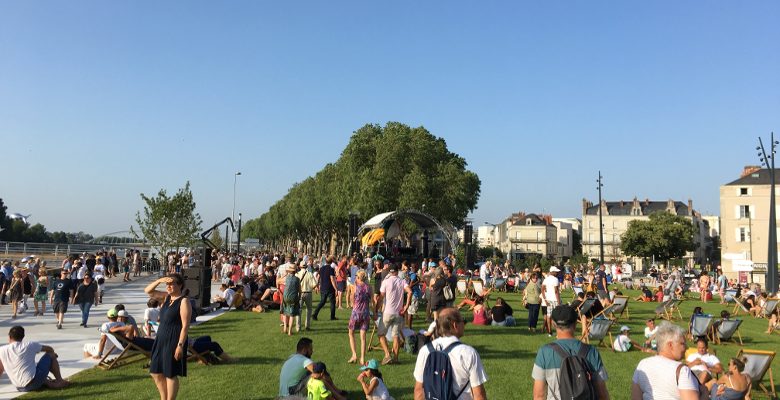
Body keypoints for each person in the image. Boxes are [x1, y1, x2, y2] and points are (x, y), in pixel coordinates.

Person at [532, 304, 610, 400]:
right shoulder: (591, 351)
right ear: (575, 324)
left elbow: (539, 395)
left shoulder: (544, 352)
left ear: (553, 324)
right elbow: (602, 393)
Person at [413, 308, 488, 400]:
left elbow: (419, 390)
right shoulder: (468, 353)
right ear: (455, 325)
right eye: (463, 322)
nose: (464, 325)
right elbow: (479, 394)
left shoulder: (425, 350)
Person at [144, 274, 192, 400]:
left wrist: (180, 346)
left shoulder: (183, 301)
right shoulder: (166, 298)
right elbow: (148, 291)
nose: (169, 286)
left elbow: (185, 326)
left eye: (172, 284)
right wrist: (160, 280)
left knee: (170, 373)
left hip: (174, 339)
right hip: (161, 339)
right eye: (167, 284)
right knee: (155, 371)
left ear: (180, 285)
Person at [631, 321, 701, 400]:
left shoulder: (642, 364)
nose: (687, 347)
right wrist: (704, 393)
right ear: (670, 345)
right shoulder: (681, 371)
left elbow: (635, 397)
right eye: (683, 344)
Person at [0, 326, 70, 391]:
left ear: (9, 336)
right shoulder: (29, 345)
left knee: (32, 369)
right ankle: (59, 381)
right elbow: (50, 349)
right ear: (23, 336)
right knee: (50, 354)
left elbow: (0, 369)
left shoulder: (2, 350)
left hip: (19, 388)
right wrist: (53, 357)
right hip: (33, 382)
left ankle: (48, 383)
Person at [375, 263, 412, 365]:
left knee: (380, 334)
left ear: (389, 272)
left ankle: (387, 354)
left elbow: (381, 298)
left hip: (387, 312)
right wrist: (406, 306)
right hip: (398, 313)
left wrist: (376, 310)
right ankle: (395, 358)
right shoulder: (402, 281)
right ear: (397, 271)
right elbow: (410, 292)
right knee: (395, 336)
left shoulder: (386, 282)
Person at [347, 270, 372, 365]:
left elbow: (351, 298)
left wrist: (354, 305)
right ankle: (362, 358)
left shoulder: (354, 287)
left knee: (351, 333)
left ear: (358, 277)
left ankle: (354, 355)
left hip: (356, 313)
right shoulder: (369, 287)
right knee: (363, 337)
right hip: (365, 313)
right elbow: (372, 300)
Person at [313, 256, 338, 321]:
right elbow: (332, 279)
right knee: (332, 302)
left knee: (322, 302)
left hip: (323, 287)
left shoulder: (321, 268)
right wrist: (335, 288)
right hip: (330, 287)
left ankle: (315, 314)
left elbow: (318, 277)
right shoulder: (331, 269)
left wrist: (317, 285)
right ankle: (332, 316)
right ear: (331, 262)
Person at [541, 267, 561, 336]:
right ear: (552, 272)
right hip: (555, 300)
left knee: (549, 316)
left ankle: (550, 332)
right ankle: (558, 332)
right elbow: (556, 291)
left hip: (548, 300)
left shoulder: (546, 279)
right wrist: (559, 302)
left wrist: (545, 299)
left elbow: (542, 289)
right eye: (556, 272)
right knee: (557, 317)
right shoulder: (556, 279)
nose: (557, 273)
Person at [283, 264, 301, 336]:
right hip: (293, 298)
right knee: (292, 315)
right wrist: (298, 298)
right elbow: (300, 291)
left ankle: (285, 328)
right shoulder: (297, 279)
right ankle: (290, 331)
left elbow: (278, 281)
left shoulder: (286, 278)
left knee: (285, 312)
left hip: (285, 297)